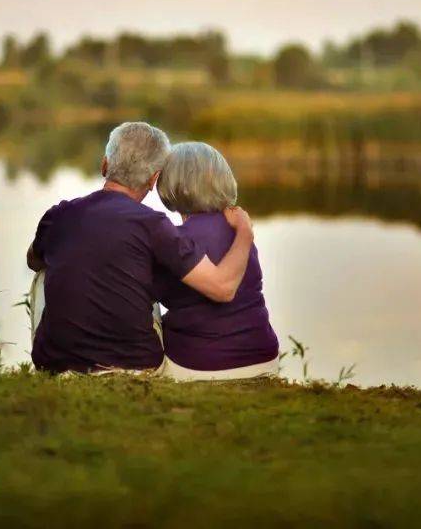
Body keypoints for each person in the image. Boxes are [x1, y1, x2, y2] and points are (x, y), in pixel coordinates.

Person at [26, 122, 255, 374]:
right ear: (153, 179)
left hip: (55, 364)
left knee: (44, 273)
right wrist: (244, 231)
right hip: (135, 365)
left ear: (104, 165)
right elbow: (222, 288)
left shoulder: (59, 214)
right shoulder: (154, 225)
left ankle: (62, 358)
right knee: (145, 275)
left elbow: (33, 260)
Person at [154, 142, 280, 380]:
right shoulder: (239, 232)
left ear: (171, 185)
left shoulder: (177, 240)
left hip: (199, 365)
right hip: (264, 358)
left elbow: (157, 293)